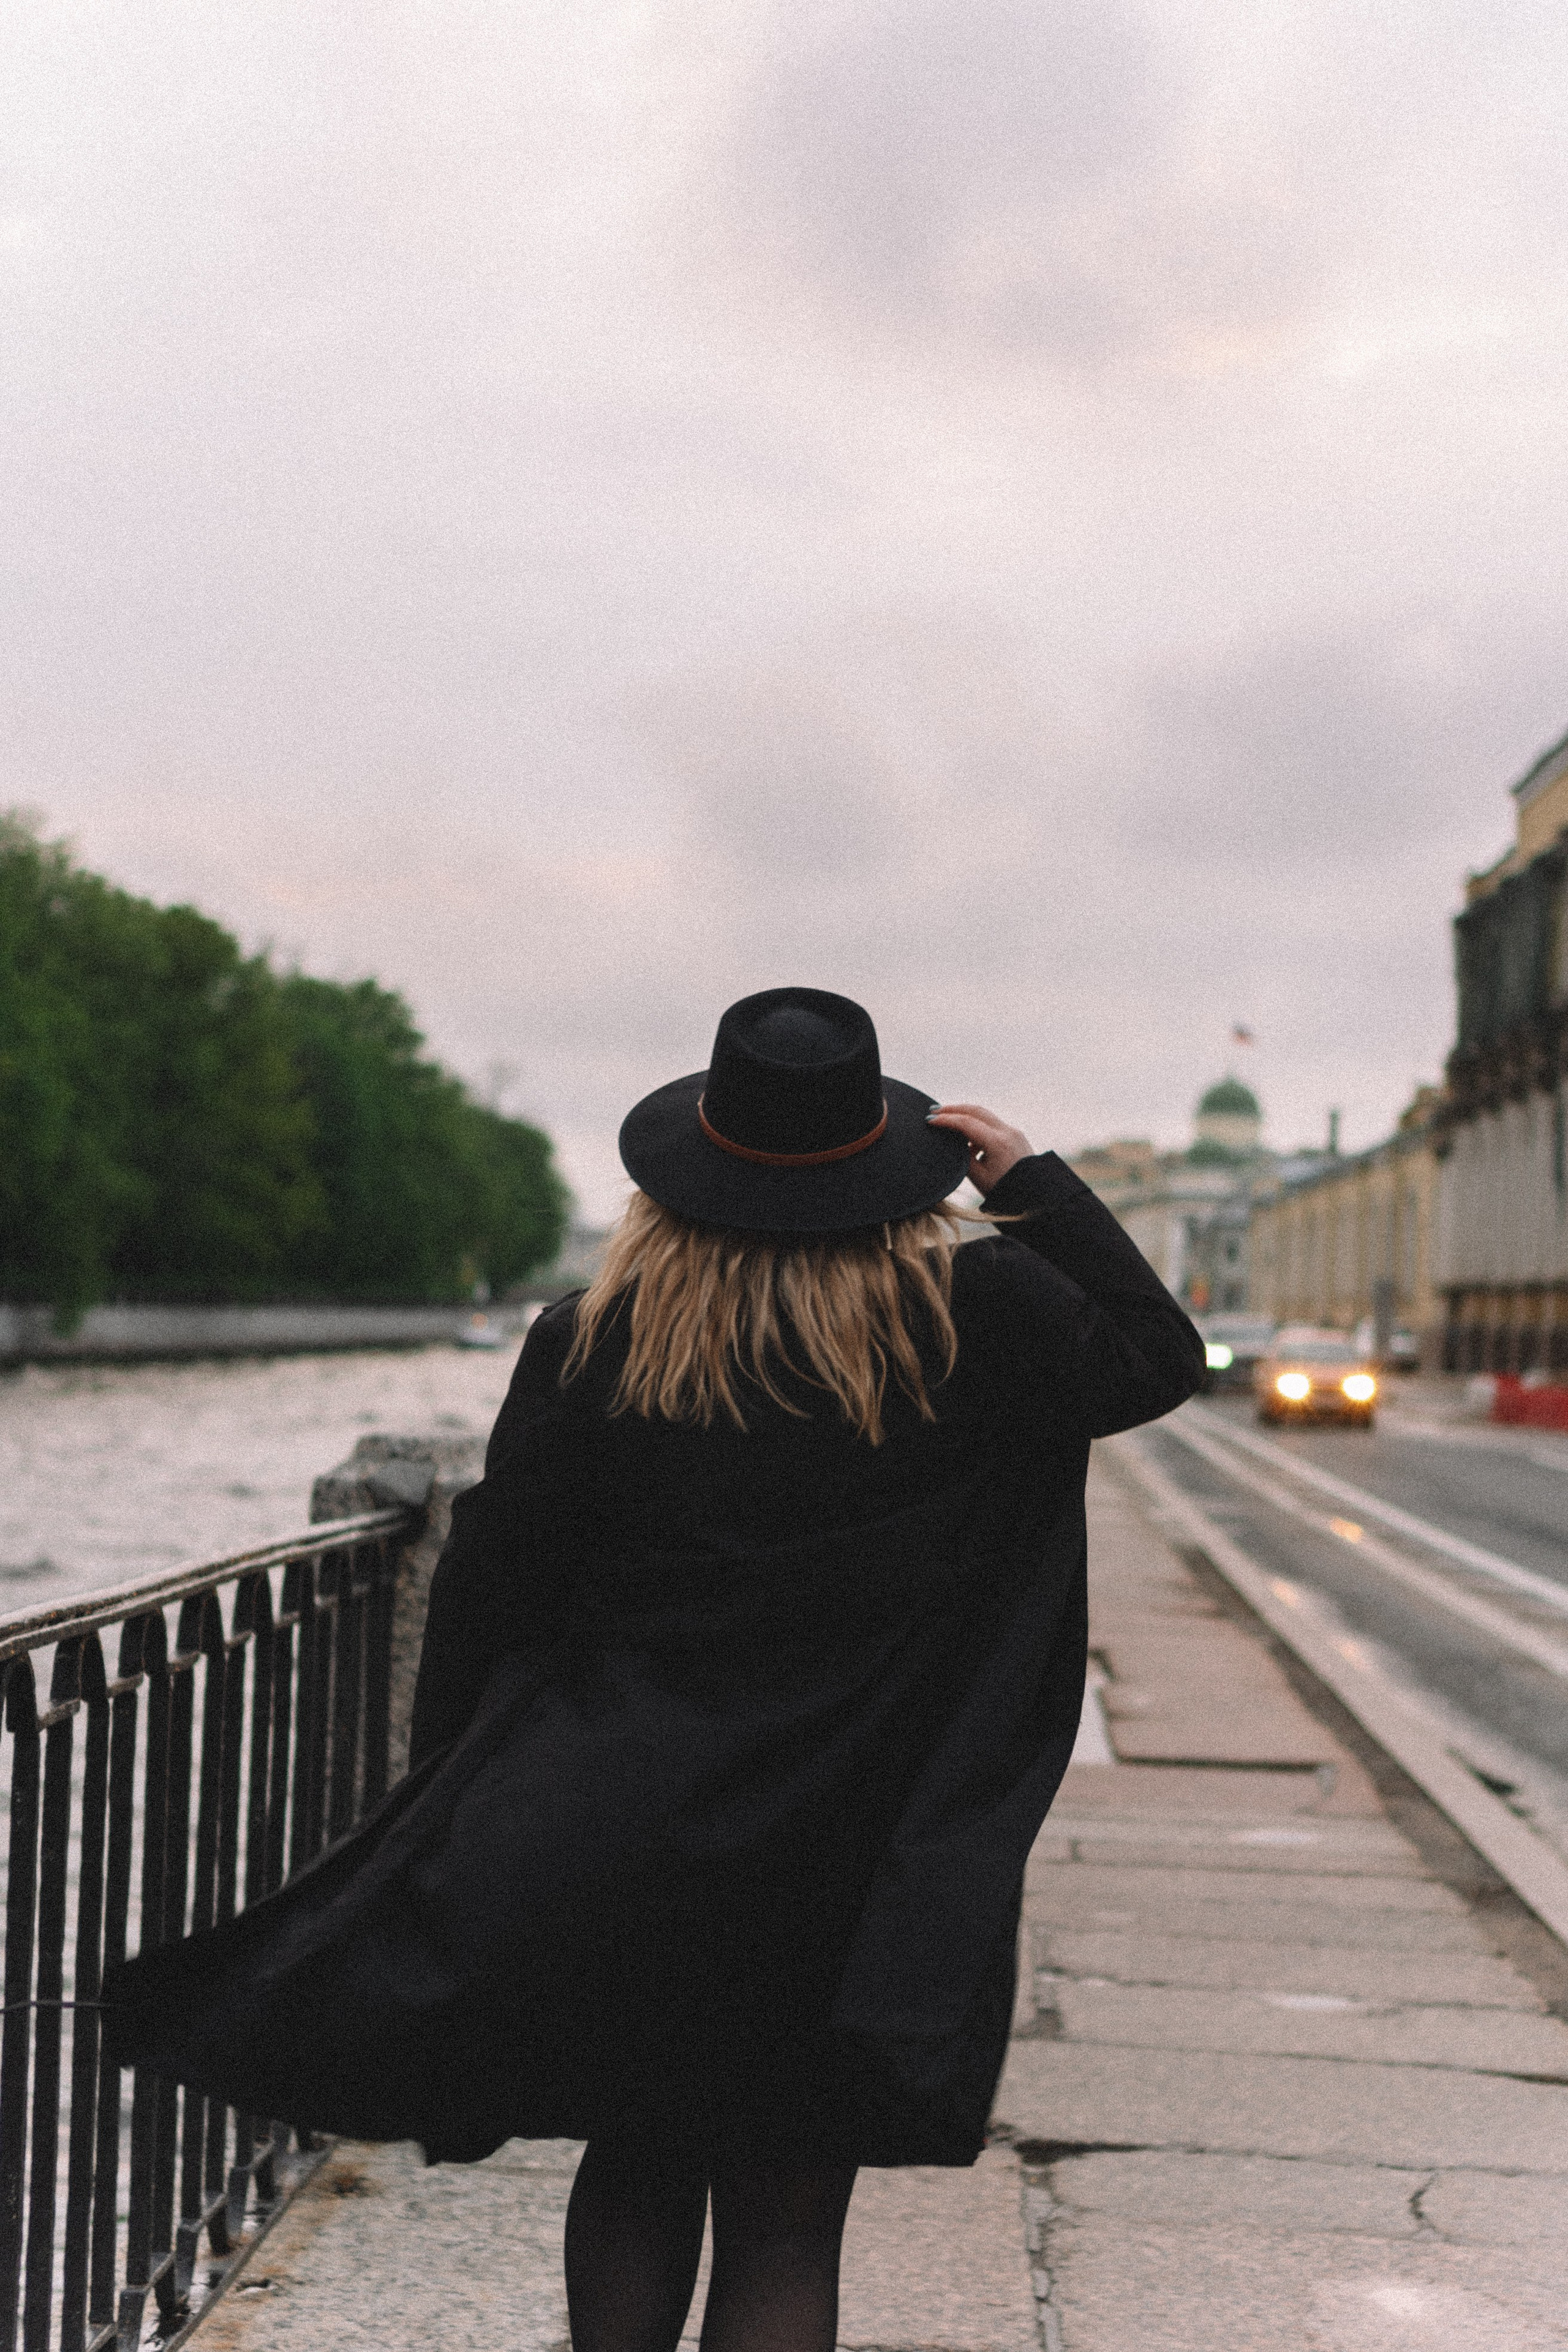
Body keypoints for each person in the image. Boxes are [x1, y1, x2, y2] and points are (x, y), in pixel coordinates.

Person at [108, 987, 1204, 2351]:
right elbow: (1159, 1356)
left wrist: (450, 1813)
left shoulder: (592, 1337)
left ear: (686, 1162)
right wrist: (1034, 1180)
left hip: (619, 1831)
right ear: (886, 1168)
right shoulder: (970, 1325)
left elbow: (491, 1586)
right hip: (853, 1844)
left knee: (634, 2165)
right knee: (788, 2216)